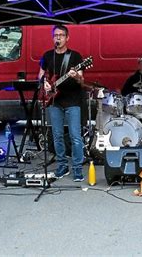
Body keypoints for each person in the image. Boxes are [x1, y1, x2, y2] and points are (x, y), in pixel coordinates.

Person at [38, 25, 85, 182]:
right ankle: (62, 165)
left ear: (67, 38)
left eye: (61, 35)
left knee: (75, 136)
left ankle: (77, 168)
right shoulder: (47, 56)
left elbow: (81, 79)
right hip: (54, 100)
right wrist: (44, 83)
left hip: (72, 100)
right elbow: (41, 75)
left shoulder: (75, 56)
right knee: (57, 135)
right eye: (56, 35)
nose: (58, 38)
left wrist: (75, 76)